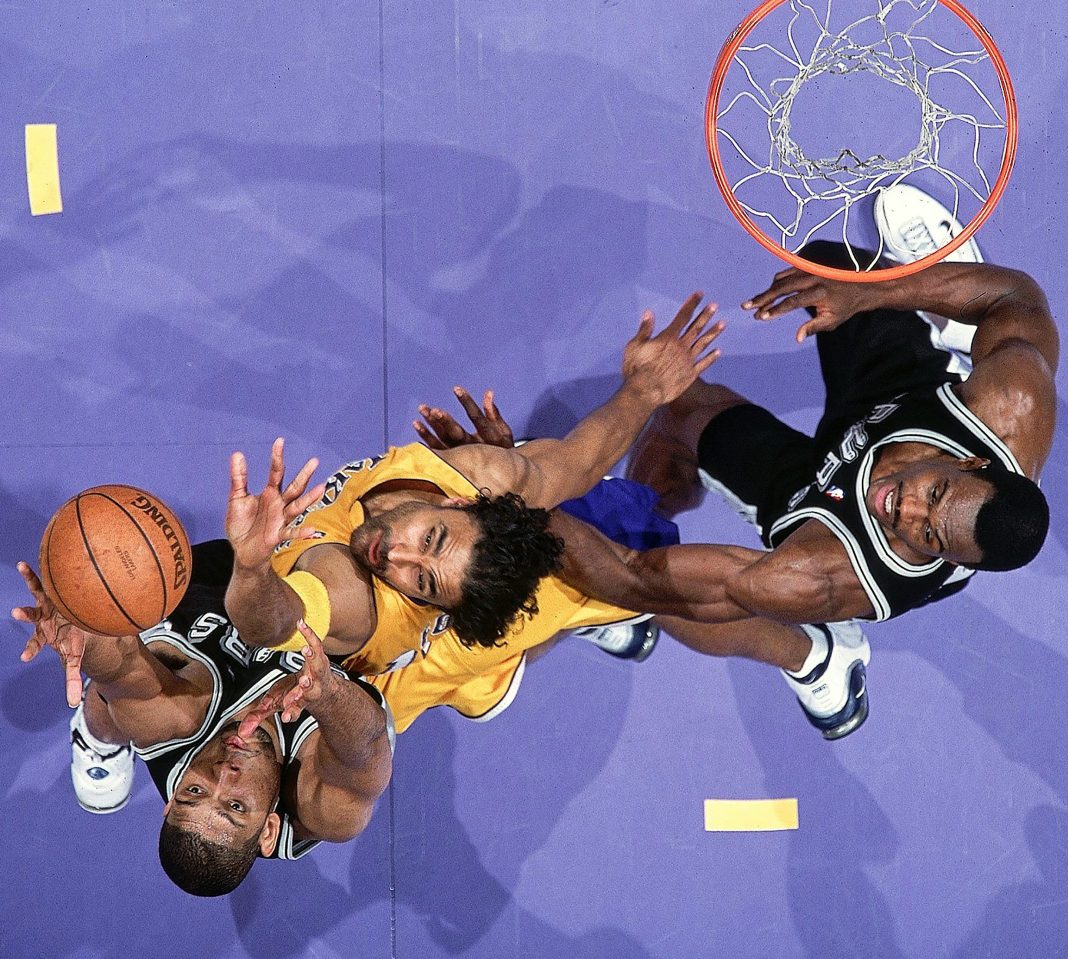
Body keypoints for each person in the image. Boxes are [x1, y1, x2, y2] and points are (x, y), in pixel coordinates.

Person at [549, 188, 1059, 739]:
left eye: (927, 536)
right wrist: (870, 295)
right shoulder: (1012, 402)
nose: (904, 508)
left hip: (819, 506)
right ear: (975, 462)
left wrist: (526, 516)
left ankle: (817, 662)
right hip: (900, 400)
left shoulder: (823, 573)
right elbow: (1015, 298)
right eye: (934, 495)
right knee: (833, 270)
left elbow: (644, 582)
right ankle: (952, 319)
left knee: (663, 560)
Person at [222, 295, 723, 734]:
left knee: (629, 588)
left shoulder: (354, 594)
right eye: (430, 540)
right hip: (454, 647)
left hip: (447, 641)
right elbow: (578, 462)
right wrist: (643, 390)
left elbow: (280, 619)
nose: (394, 555)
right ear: (461, 500)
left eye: (421, 577)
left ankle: (803, 661)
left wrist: (250, 567)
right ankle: (576, 621)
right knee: (539, 622)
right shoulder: (484, 473)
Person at [13, 542, 395, 897]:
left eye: (194, 793)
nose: (224, 774)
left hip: (206, 592)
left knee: (109, 699)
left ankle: (97, 737)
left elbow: (118, 666)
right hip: (326, 638)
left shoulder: (171, 725)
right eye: (236, 806)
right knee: (357, 605)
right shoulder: (324, 808)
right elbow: (369, 745)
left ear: (172, 797)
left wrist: (80, 624)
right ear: (269, 829)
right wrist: (327, 694)